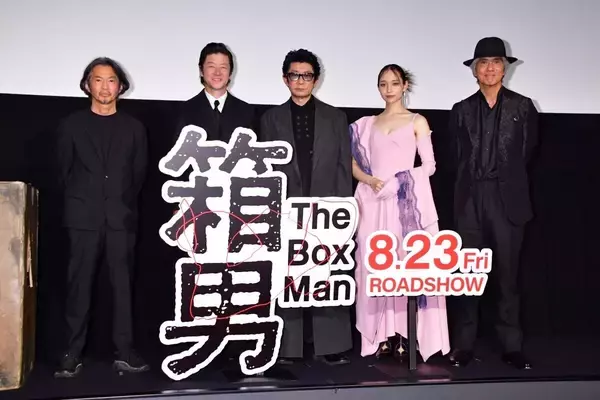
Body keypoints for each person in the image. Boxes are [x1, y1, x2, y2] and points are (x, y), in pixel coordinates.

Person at [446, 37, 538, 370]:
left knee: (507, 276)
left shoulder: (523, 107)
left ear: (504, 68)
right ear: (474, 70)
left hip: (506, 200)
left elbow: (526, 153)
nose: (489, 68)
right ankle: (463, 345)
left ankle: (512, 346)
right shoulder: (461, 110)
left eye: (496, 62)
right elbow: (456, 157)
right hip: (470, 199)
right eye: (483, 63)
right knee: (467, 273)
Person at [54, 57, 149, 378]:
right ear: (87, 84)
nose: (105, 87)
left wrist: (119, 203)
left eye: (111, 80)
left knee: (123, 288)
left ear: (120, 86)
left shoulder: (134, 128)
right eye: (98, 80)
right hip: (83, 218)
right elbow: (64, 172)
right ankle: (71, 353)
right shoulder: (71, 125)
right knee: (78, 288)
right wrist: (85, 199)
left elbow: (138, 174)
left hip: (121, 218)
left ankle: (125, 351)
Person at [350, 64, 450, 363]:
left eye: (394, 83)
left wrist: (399, 181)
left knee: (405, 266)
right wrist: (371, 181)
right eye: (383, 84)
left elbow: (429, 165)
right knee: (373, 266)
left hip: (405, 202)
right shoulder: (366, 124)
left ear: (405, 85)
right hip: (373, 201)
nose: (389, 89)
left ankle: (407, 335)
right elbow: (353, 163)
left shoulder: (417, 120)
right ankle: (380, 336)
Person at [260, 49, 353, 366]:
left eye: (307, 75)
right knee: (286, 276)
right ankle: (288, 347)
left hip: (327, 210)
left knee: (328, 273)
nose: (300, 81)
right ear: (285, 79)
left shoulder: (336, 117)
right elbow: (265, 170)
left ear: (316, 79)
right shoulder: (270, 119)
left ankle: (331, 345)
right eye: (295, 75)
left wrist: (342, 211)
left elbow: (342, 167)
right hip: (286, 209)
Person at [174, 42, 257, 144]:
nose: (217, 72)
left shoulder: (246, 111)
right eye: (211, 66)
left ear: (230, 73)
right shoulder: (186, 110)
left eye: (223, 67)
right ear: (201, 71)